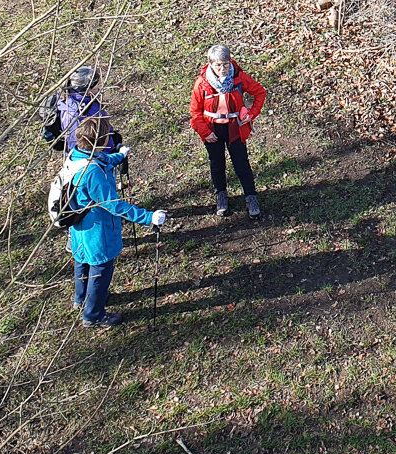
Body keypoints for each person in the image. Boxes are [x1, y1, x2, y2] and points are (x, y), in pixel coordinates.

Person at [67, 115, 166, 328]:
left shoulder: (75, 157)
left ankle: (81, 299)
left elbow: (99, 159)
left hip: (79, 228)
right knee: (100, 270)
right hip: (98, 232)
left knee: (82, 262)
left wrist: (118, 156)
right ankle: (93, 315)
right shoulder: (91, 172)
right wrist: (149, 218)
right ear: (101, 141)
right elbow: (114, 205)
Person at [190, 44, 268, 219]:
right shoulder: (201, 84)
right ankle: (221, 196)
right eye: (218, 65)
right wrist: (205, 132)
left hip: (235, 127)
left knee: (241, 163)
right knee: (217, 163)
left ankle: (251, 197)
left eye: (225, 64)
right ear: (210, 64)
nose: (223, 68)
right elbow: (195, 114)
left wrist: (252, 114)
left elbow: (260, 92)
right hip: (212, 129)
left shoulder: (239, 77)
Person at [41, 65, 120, 156]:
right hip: (97, 158)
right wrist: (109, 158)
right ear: (86, 89)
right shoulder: (73, 115)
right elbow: (79, 147)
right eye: (97, 85)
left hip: (105, 145)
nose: (99, 87)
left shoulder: (85, 99)